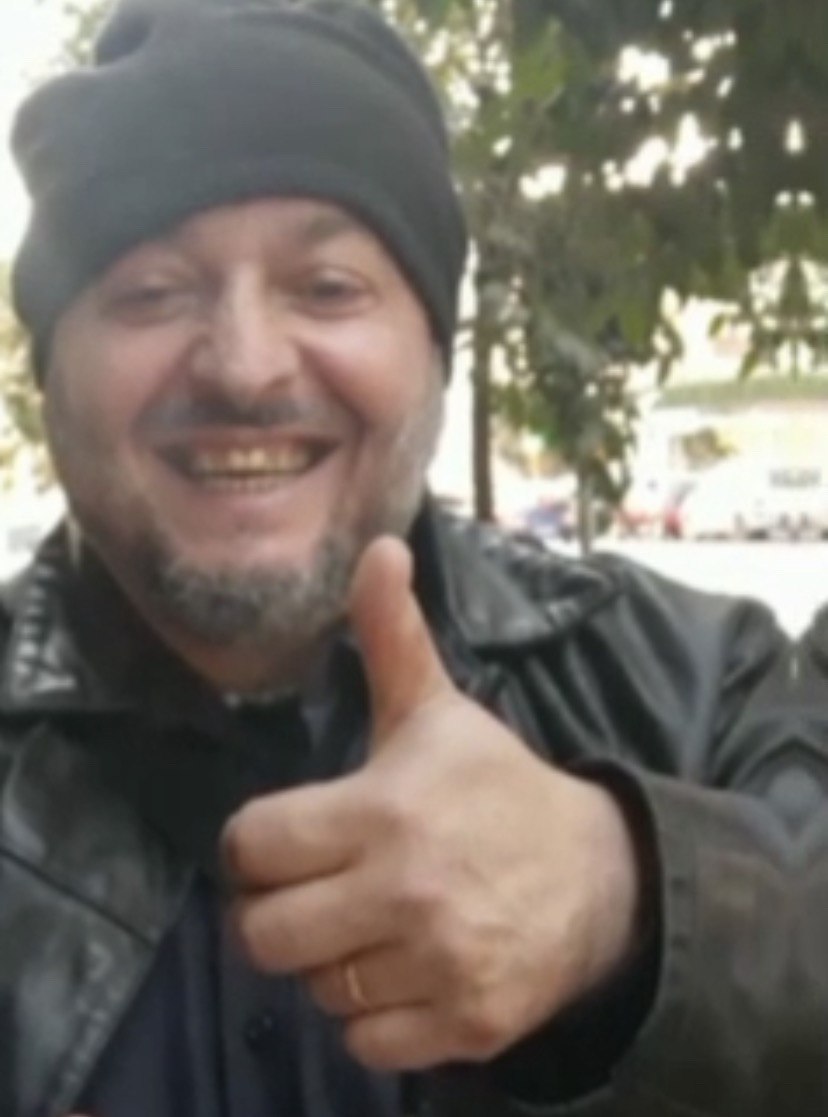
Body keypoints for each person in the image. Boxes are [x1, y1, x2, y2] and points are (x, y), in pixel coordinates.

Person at [0, 2, 801, 1115]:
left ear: (433, 348)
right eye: (152, 293)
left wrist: (631, 902)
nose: (244, 366)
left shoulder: (702, 686)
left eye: (327, 288)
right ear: (50, 368)